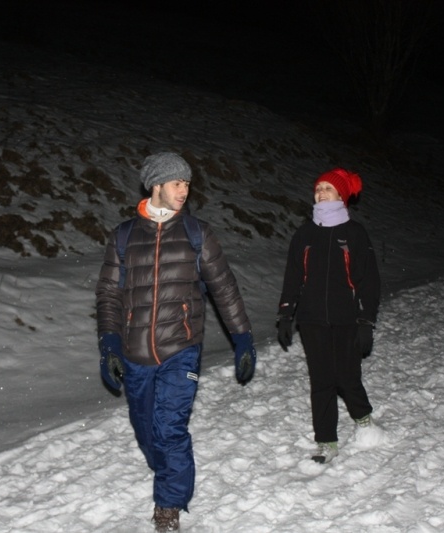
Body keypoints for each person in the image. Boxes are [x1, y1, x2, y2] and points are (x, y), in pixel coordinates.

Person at [95, 152, 257, 532]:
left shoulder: (197, 234)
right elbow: (108, 294)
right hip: (135, 352)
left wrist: (242, 338)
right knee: (146, 429)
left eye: (187, 183)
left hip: (181, 349)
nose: (184, 190)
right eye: (177, 183)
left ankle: (168, 506)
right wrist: (109, 344)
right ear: (156, 185)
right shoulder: (124, 236)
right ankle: (168, 469)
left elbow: (224, 288)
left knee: (169, 429)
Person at [276, 168, 380, 464]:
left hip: (347, 318)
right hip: (312, 319)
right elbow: (293, 276)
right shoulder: (305, 234)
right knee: (321, 380)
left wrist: (366, 320)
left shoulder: (354, 233)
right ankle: (326, 441)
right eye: (318, 188)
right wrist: (286, 314)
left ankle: (363, 419)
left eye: (328, 188)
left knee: (347, 377)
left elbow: (369, 281)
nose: (321, 192)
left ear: (341, 196)